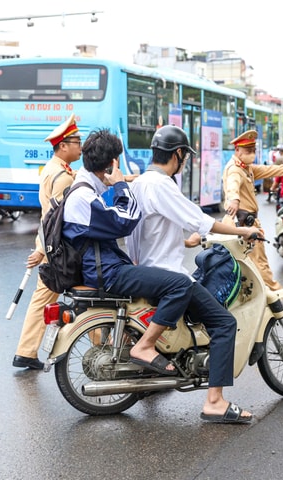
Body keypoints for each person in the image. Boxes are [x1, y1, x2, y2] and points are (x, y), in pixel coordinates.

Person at [126, 125, 261, 423]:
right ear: (177, 154)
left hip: (145, 268)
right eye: (185, 156)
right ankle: (215, 401)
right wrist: (243, 230)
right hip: (166, 274)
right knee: (224, 323)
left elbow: (157, 227)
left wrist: (187, 239)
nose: (184, 162)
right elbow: (202, 221)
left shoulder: (141, 183)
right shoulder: (163, 185)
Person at [63, 128, 194, 378]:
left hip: (99, 268)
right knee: (179, 285)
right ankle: (144, 347)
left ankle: (143, 357)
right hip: (107, 273)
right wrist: (122, 184)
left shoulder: (83, 188)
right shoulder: (84, 197)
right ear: (113, 163)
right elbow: (127, 220)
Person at [13, 116, 82, 370]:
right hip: (58, 248)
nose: (80, 146)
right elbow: (55, 217)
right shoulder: (62, 176)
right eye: (76, 141)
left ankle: (26, 351)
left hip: (51, 245)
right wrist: (43, 251)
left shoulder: (55, 169)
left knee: (43, 298)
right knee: (91, 294)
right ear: (63, 146)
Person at [222, 130, 283, 290]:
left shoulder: (247, 168)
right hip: (244, 223)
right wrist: (234, 199)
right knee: (260, 262)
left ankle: (252, 296)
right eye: (247, 151)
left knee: (246, 264)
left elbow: (275, 170)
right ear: (237, 150)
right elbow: (232, 185)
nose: (251, 154)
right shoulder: (235, 170)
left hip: (244, 222)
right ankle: (277, 297)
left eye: (252, 151)